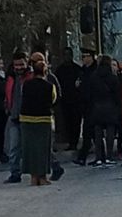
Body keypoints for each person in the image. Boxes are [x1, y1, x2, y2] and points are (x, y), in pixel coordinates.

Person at [20, 59, 57, 186]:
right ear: (45, 72)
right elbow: (53, 99)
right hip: (43, 120)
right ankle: (42, 176)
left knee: (30, 148)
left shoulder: (26, 84)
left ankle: (33, 177)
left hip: (26, 119)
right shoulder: (49, 86)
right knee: (43, 149)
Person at [30, 52, 65, 181]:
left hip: (46, 116)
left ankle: (54, 167)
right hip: (34, 116)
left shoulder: (50, 79)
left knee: (45, 146)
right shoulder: (31, 79)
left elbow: (57, 96)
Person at [4, 51, 33, 183]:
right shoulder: (11, 77)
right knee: (14, 147)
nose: (19, 67)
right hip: (14, 116)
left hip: (28, 116)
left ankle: (44, 169)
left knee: (32, 146)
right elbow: (8, 94)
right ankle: (15, 173)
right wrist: (8, 107)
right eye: (16, 65)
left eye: (21, 64)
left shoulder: (31, 77)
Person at [88, 55, 122, 167]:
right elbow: (117, 94)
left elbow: (89, 93)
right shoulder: (113, 77)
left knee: (98, 133)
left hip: (97, 107)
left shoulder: (93, 76)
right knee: (110, 133)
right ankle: (109, 157)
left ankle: (99, 158)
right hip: (110, 107)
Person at [73, 48, 98, 166]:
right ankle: (88, 156)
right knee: (90, 132)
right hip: (84, 105)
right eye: (82, 57)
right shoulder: (82, 70)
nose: (83, 59)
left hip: (94, 105)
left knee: (91, 132)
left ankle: (83, 157)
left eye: (85, 56)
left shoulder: (95, 70)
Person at [55, 48, 82, 151]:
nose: (67, 57)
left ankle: (74, 142)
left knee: (76, 122)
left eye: (69, 54)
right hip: (64, 101)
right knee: (67, 122)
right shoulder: (59, 70)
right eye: (65, 54)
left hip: (76, 101)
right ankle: (70, 142)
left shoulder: (77, 69)